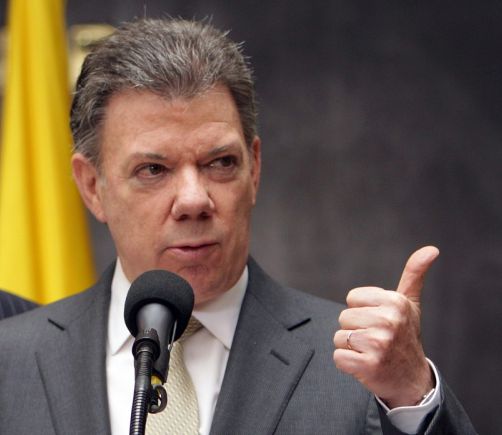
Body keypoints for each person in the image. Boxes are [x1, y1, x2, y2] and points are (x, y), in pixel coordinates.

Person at [0, 18, 475, 434]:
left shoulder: (362, 366)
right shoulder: (11, 358)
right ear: (92, 187)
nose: (194, 200)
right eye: (153, 170)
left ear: (255, 168)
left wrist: (411, 395)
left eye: (220, 162)